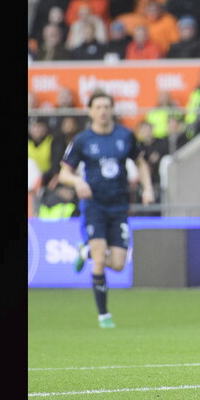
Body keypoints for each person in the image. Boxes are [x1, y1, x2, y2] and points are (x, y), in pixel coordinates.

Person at [58, 90, 155, 328]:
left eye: (106, 107)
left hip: (119, 205)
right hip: (94, 206)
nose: (102, 111)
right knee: (101, 258)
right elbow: (63, 173)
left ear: (112, 110)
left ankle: (85, 252)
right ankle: (104, 315)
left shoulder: (125, 135)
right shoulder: (82, 140)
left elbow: (140, 163)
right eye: (98, 107)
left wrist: (147, 188)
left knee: (119, 264)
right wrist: (78, 181)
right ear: (90, 111)